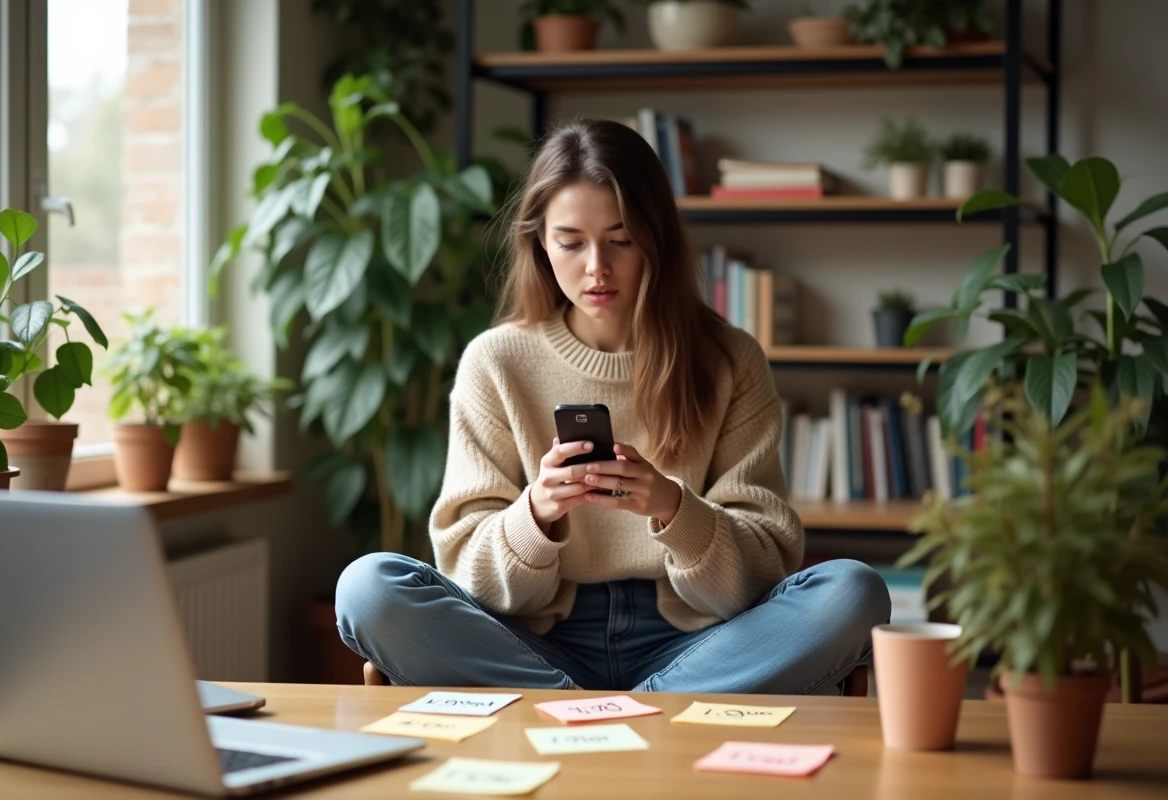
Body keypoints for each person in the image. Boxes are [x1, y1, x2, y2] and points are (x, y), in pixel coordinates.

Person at [335, 118, 890, 694]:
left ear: (656, 239)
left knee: (854, 591)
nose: (596, 267)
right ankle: (600, 709)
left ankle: (613, 709)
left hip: (697, 642)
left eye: (621, 240)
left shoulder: (729, 359)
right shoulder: (495, 362)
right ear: (541, 243)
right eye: (571, 242)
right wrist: (537, 516)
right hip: (536, 642)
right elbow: (466, 571)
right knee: (368, 587)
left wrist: (674, 507)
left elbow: (760, 574)